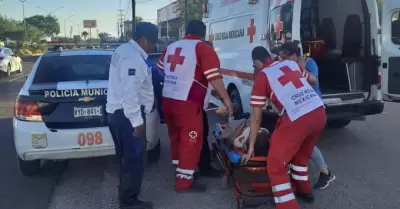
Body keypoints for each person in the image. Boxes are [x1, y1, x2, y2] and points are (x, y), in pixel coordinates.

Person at [244, 46, 326, 209]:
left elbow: (256, 116)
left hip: (297, 118)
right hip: (318, 112)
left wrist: (251, 144)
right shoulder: (290, 64)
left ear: (257, 62)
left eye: (254, 66)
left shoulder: (262, 76)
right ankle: (304, 191)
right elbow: (313, 80)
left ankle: (288, 205)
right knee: (301, 157)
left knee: (276, 164)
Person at [157, 20, 233, 193]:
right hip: (188, 102)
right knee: (191, 141)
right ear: (203, 34)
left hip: (168, 99)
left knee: (176, 137)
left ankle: (181, 170)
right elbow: (214, 77)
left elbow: (161, 69)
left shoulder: (171, 46)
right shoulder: (203, 48)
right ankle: (184, 182)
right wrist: (227, 100)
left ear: (186, 31)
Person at [106, 22, 158, 209]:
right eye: (152, 42)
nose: (153, 46)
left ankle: (126, 195)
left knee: (127, 159)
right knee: (134, 160)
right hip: (127, 117)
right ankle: (128, 202)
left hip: (118, 114)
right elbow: (129, 94)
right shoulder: (133, 58)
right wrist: (137, 122)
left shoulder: (123, 50)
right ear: (143, 39)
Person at [278, 42, 336, 189]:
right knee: (304, 142)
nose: (282, 60)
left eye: (284, 57)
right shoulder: (287, 64)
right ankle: (318, 172)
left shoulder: (309, 63)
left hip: (312, 106)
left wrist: (301, 70)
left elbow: (313, 80)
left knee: (304, 141)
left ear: (294, 55)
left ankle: (325, 172)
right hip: (298, 107)